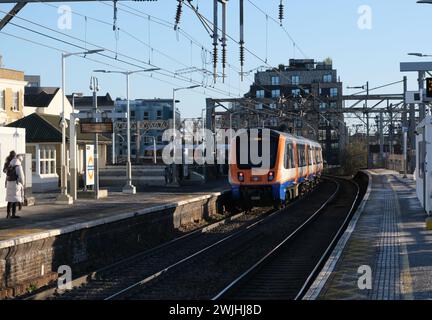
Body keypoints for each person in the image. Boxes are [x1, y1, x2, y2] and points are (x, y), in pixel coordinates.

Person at [4, 152, 25, 219]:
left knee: (10, 199)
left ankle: (8, 214)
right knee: (14, 199)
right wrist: (23, 183)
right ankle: (13, 214)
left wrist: (6, 183)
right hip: (15, 184)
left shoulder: (10, 165)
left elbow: (6, 174)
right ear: (19, 160)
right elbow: (21, 177)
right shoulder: (18, 166)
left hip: (9, 183)